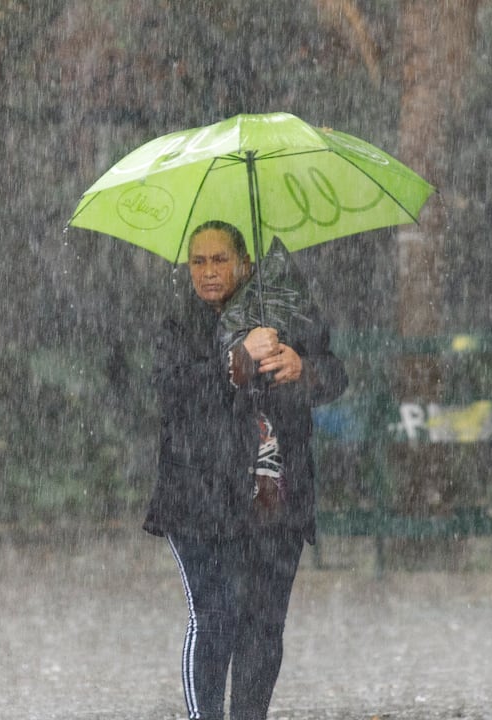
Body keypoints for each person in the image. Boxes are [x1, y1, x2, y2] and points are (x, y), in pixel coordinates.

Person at [144, 220, 347, 720]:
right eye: (198, 261)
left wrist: (303, 368)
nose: (208, 271)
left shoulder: (285, 312)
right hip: (199, 500)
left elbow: (334, 374)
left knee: (263, 625)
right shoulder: (180, 325)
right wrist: (236, 361)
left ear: (245, 265)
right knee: (215, 616)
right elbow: (172, 391)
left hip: (275, 499)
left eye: (220, 259)